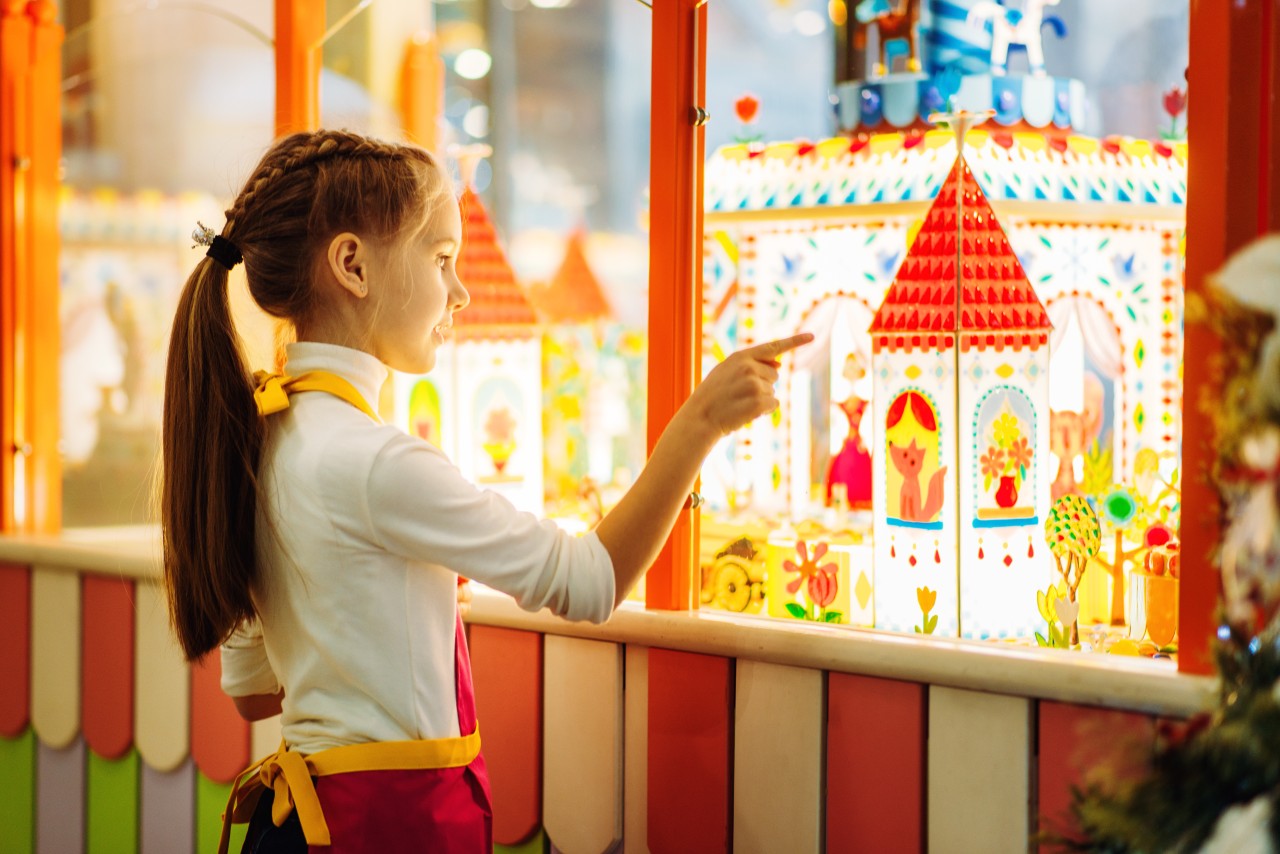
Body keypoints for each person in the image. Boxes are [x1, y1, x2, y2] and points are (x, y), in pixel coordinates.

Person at [160, 129, 810, 853]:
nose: (460, 292)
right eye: (441, 260)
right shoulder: (379, 462)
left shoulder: (259, 441)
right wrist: (699, 423)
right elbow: (590, 581)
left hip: (293, 829)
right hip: (381, 830)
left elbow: (253, 692)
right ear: (352, 265)